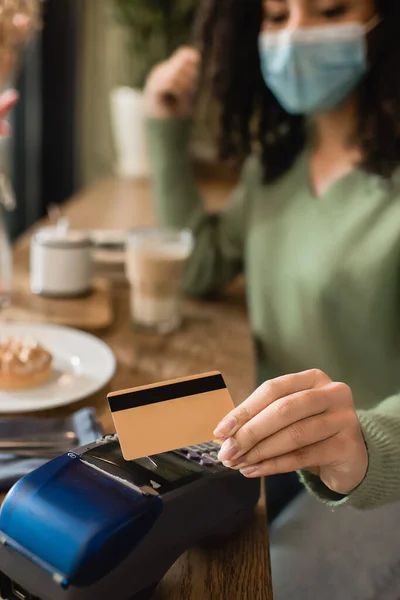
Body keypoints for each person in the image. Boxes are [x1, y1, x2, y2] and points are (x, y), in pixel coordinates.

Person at [145, 2, 400, 596]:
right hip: (265, 456)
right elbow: (201, 266)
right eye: (277, 15)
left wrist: (367, 441)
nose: (295, 37)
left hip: (377, 480)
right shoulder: (274, 170)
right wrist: (165, 128)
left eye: (330, 9)